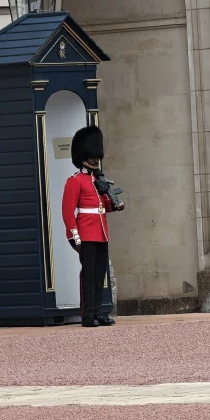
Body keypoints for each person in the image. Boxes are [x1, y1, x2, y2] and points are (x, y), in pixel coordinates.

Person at [61, 123, 124, 326]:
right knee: (88, 276)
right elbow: (67, 212)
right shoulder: (75, 181)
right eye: (92, 156)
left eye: (97, 156)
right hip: (86, 234)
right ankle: (87, 315)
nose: (96, 159)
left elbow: (103, 206)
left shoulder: (98, 180)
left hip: (101, 233)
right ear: (83, 157)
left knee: (99, 276)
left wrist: (115, 206)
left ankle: (98, 312)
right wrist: (74, 235)